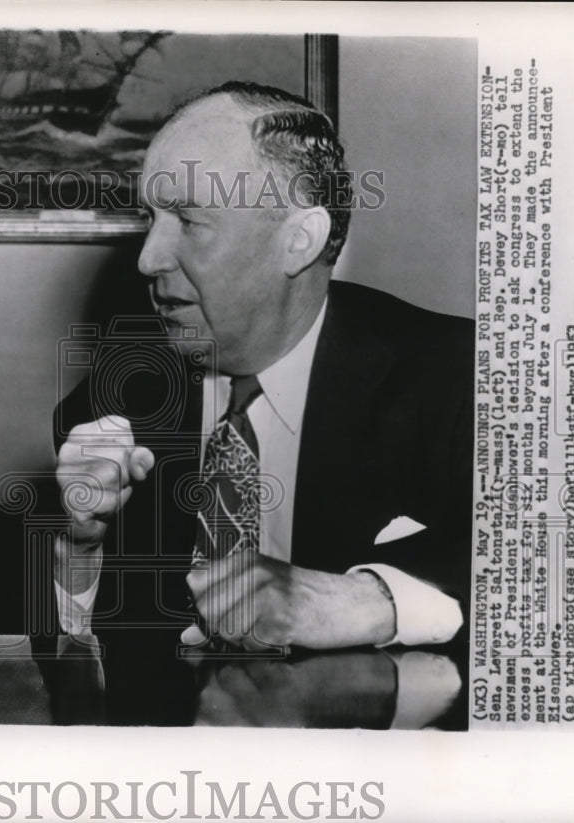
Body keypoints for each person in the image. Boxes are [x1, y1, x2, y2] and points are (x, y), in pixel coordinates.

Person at [54, 81, 472, 651]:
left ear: (299, 241)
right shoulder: (119, 395)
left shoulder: (457, 380)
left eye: (189, 221)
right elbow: (76, 655)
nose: (148, 258)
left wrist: (380, 599)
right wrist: (78, 548)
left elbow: (556, 575)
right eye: (149, 217)